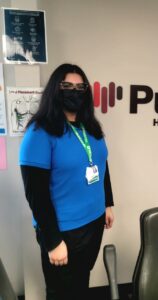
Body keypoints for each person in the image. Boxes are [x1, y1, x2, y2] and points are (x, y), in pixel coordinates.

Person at [19, 63, 114, 300]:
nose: (75, 91)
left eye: (80, 87)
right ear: (55, 90)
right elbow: (35, 194)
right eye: (67, 86)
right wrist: (52, 241)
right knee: (61, 292)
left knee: (82, 281)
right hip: (64, 230)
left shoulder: (89, 127)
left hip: (94, 221)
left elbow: (102, 165)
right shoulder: (39, 133)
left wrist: (108, 204)